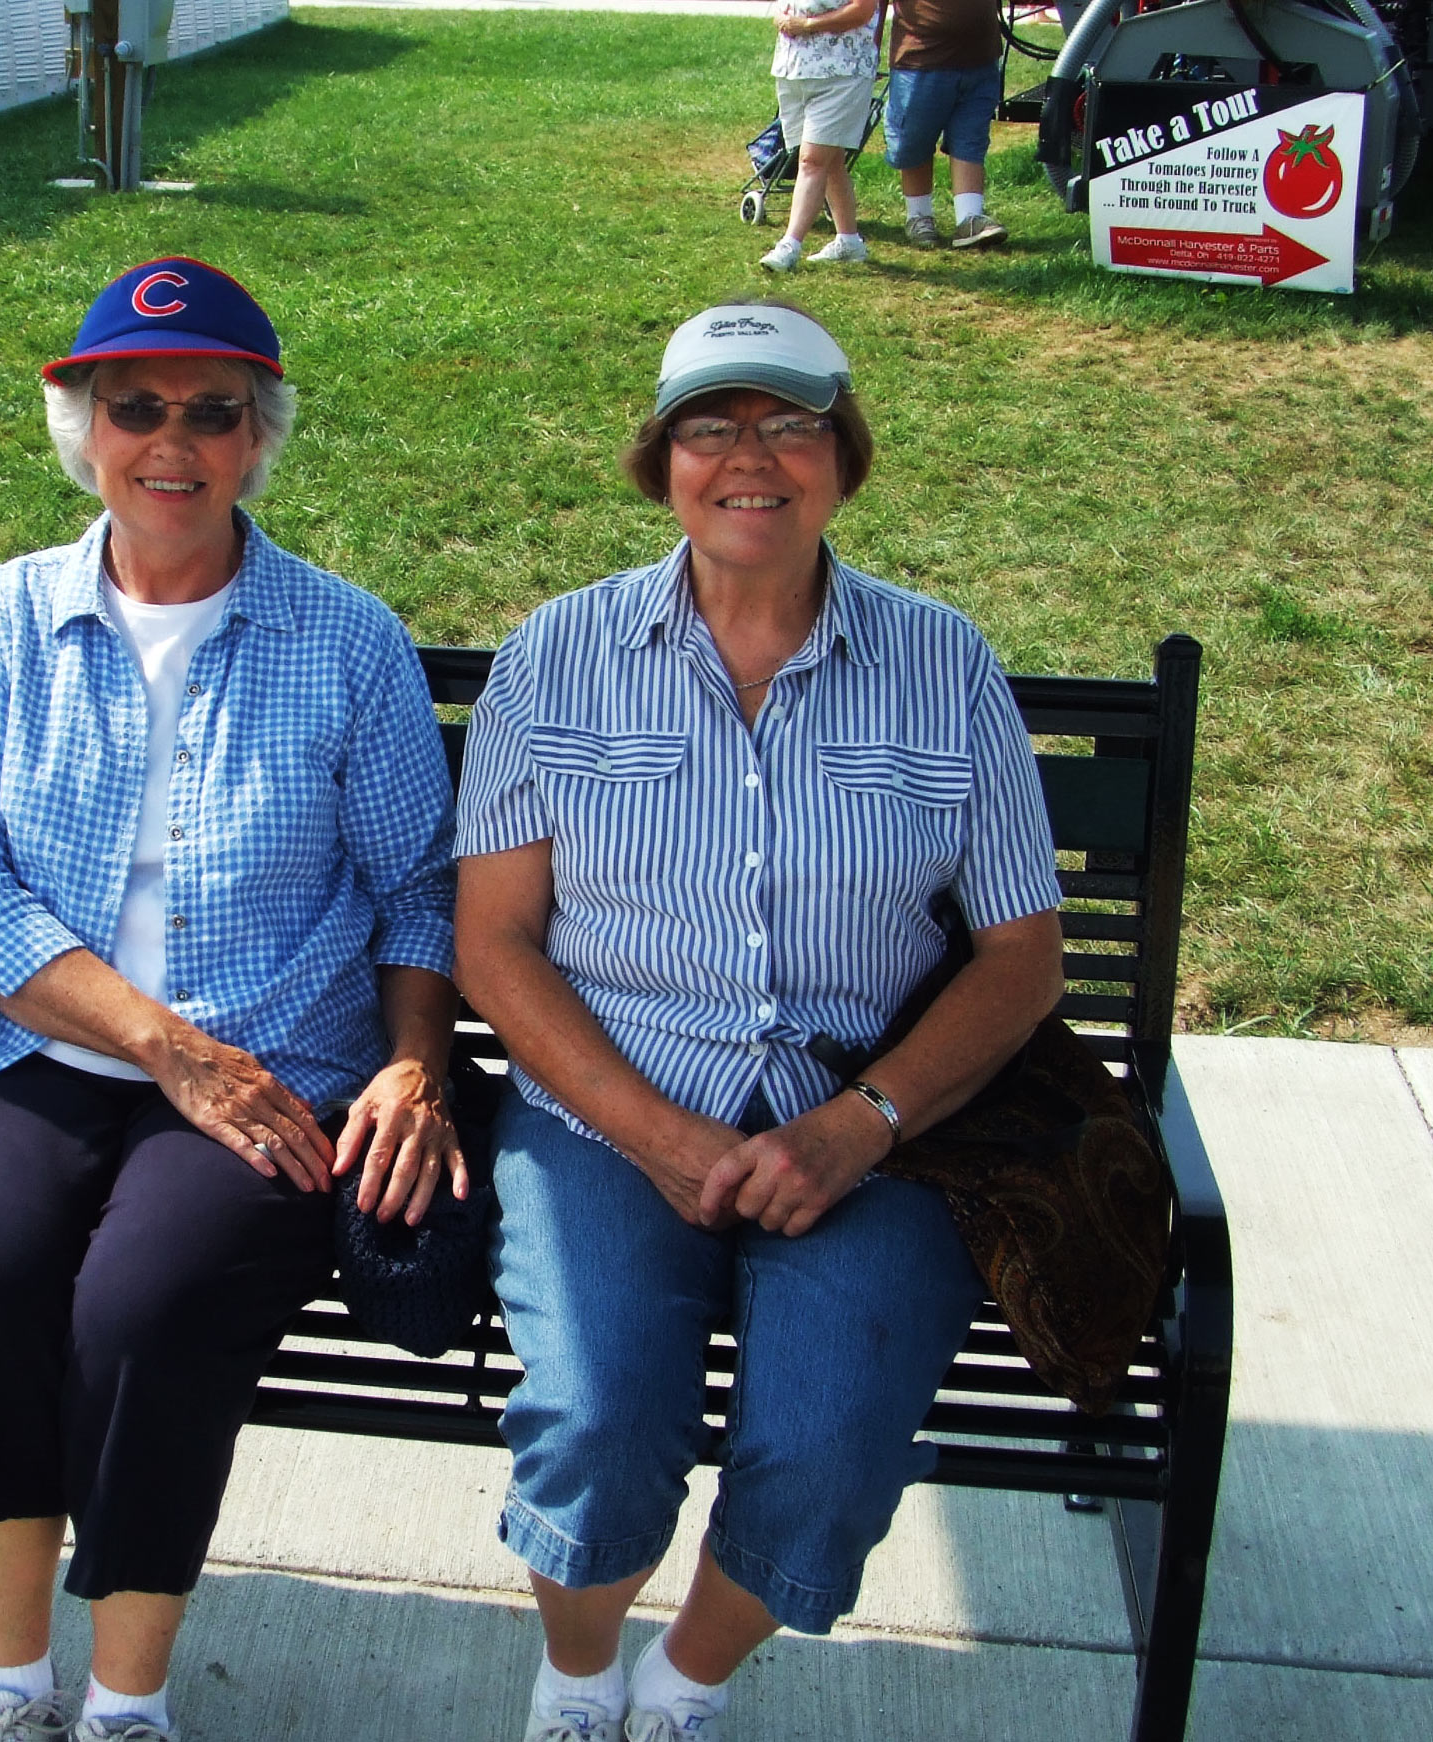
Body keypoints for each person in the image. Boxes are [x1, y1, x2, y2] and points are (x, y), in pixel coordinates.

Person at [454, 302, 1064, 1742]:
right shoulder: (558, 653)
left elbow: (1023, 956)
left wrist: (864, 1124)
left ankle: (681, 1684)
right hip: (605, 1113)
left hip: (870, 1128)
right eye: (710, 427)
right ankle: (578, 1675)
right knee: (597, 1414)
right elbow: (494, 939)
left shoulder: (941, 660)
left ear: (840, 456)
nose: (751, 458)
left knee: (834, 1434)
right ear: (660, 459)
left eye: (789, 424)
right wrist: (655, 1132)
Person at [0, 257, 463, 1742]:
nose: (174, 443)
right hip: (20, 1045)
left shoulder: (347, 638)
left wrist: (411, 1068)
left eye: (215, 410)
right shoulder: (3, 616)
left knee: (152, 1307)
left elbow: (417, 890)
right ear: (83, 424)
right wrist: (168, 1051)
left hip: (273, 1059)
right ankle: (10, 1691)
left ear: (260, 434)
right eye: (135, 407)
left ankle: (126, 1707)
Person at [759, 0, 882, 270]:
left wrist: (807, 25)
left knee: (812, 161)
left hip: (842, 72)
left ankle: (789, 246)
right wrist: (782, 16)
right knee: (831, 161)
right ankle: (849, 241)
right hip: (794, 69)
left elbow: (862, 10)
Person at [884, 0, 1011, 248]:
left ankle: (969, 217)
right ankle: (918, 216)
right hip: (921, 57)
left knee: (971, 139)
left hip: (980, 58)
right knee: (914, 139)